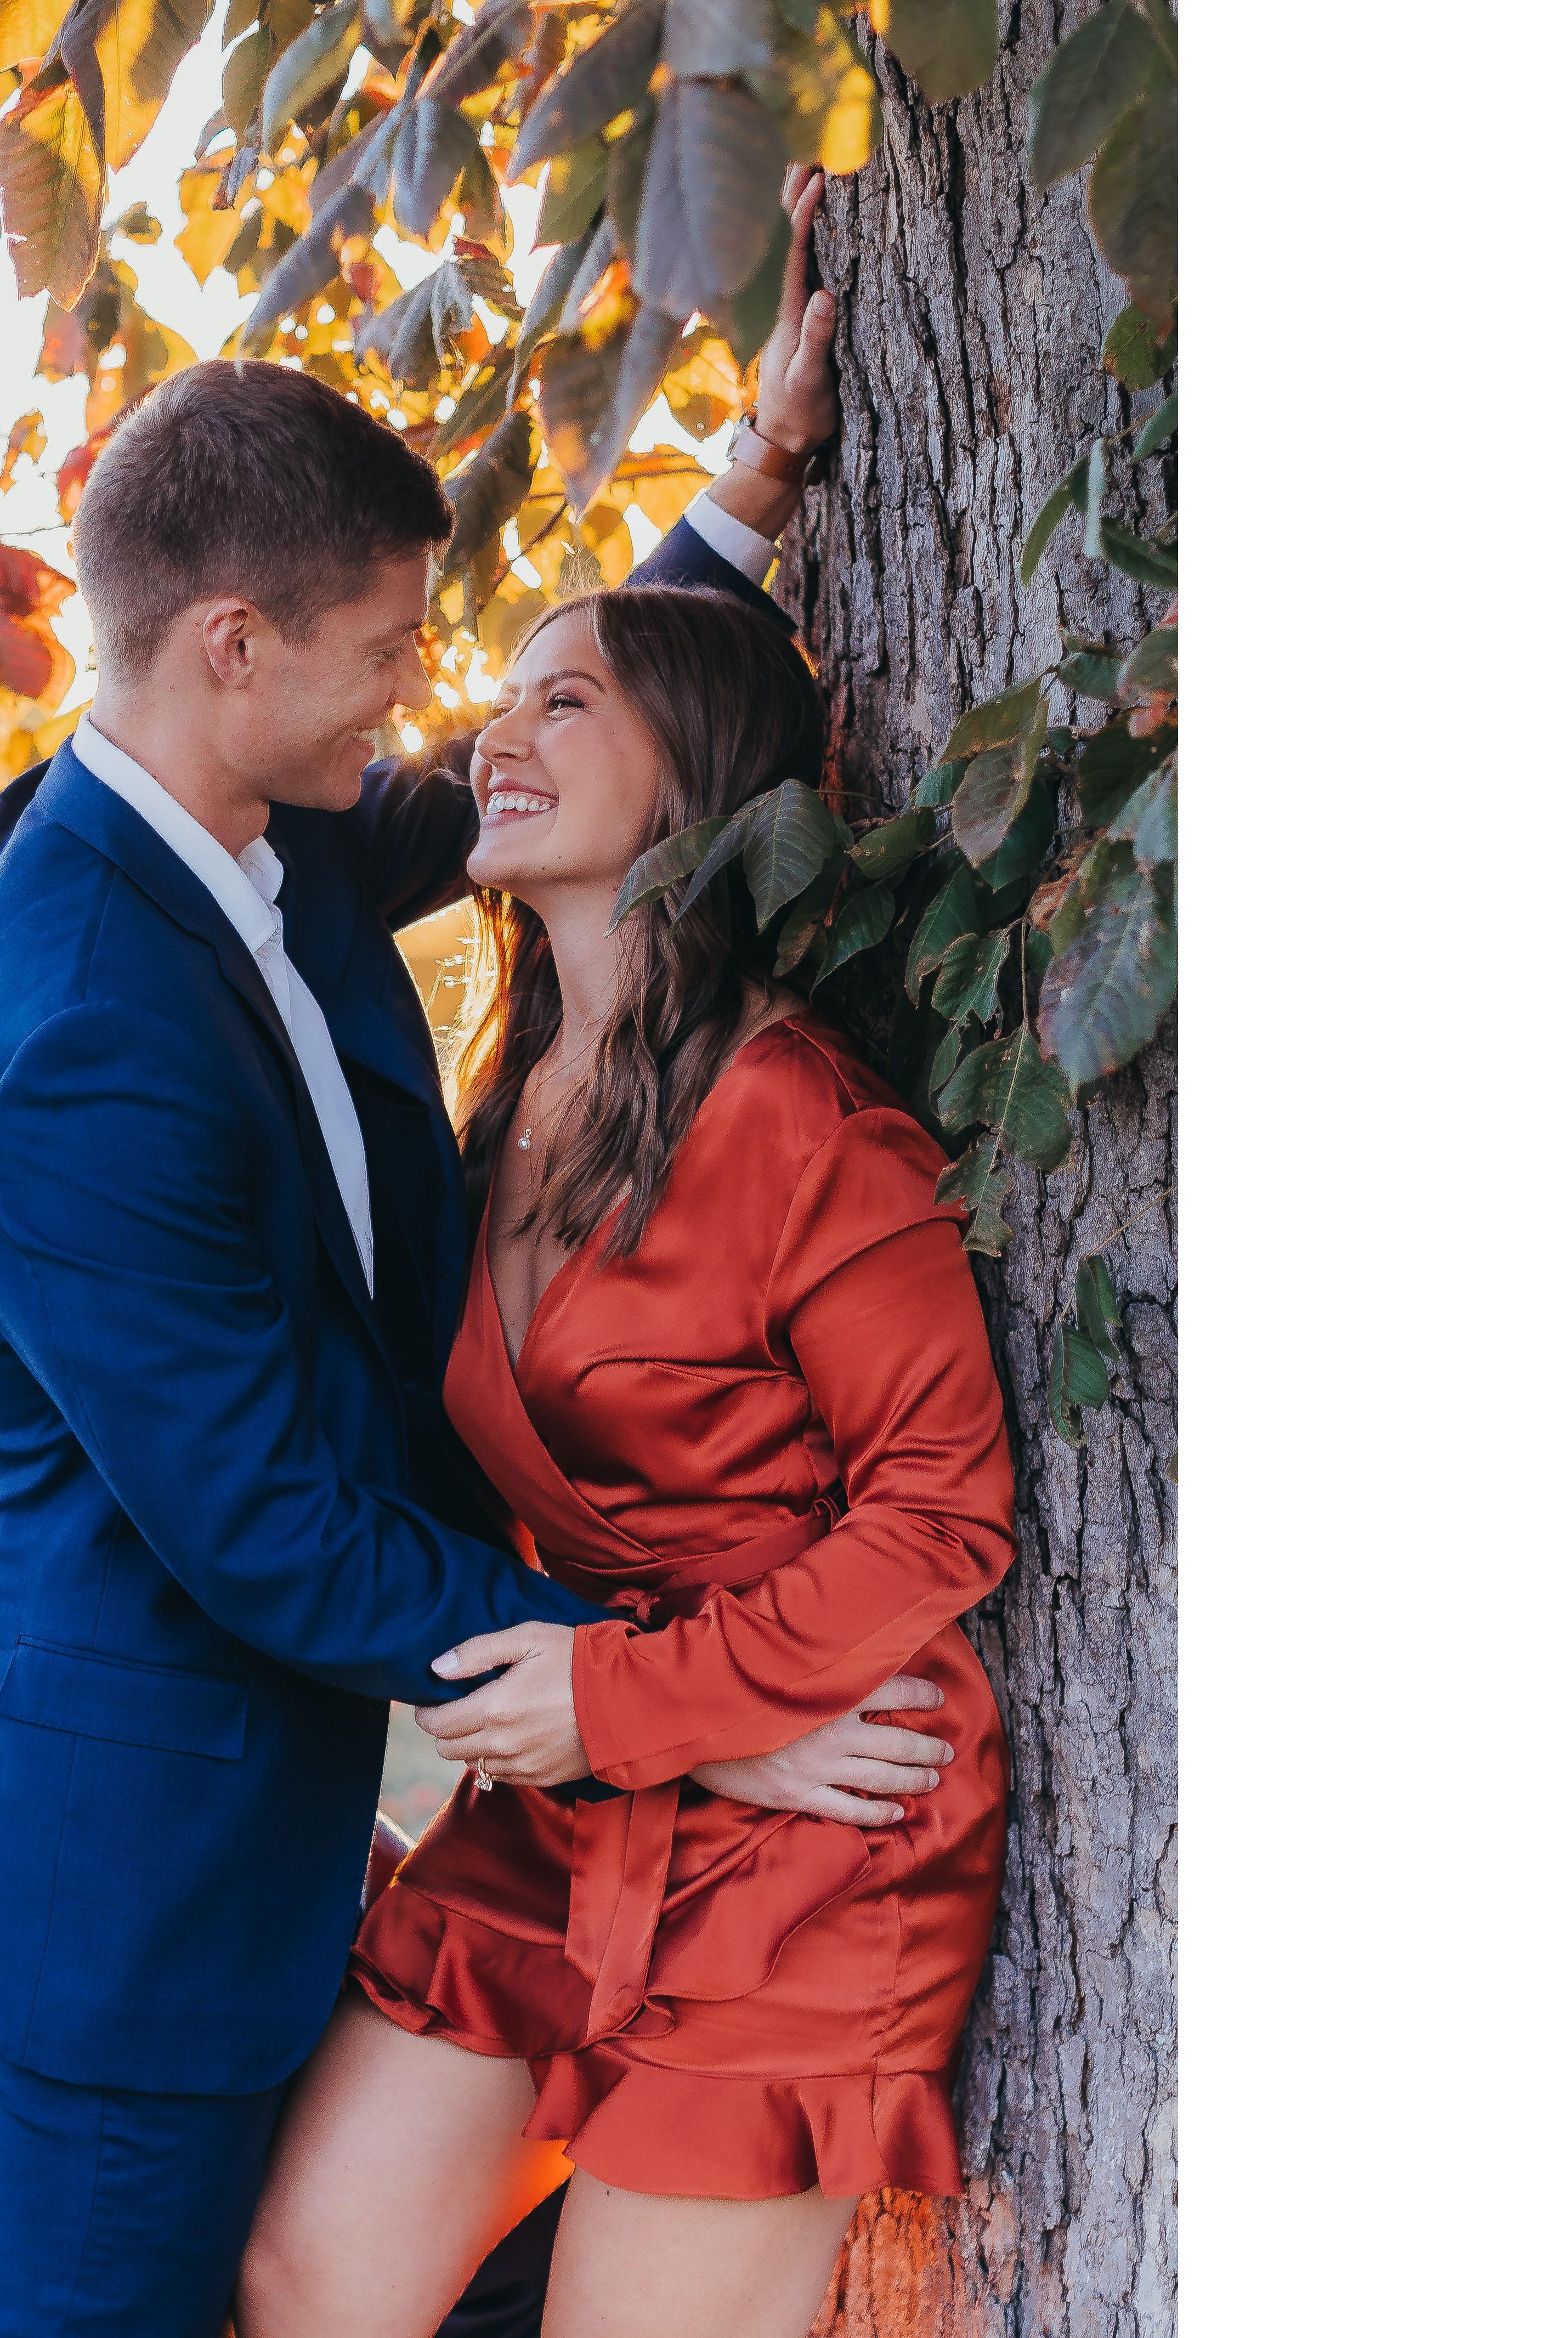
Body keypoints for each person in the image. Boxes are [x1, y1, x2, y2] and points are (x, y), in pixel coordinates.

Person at [0, 167, 946, 2338]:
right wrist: (681, 1711)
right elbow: (270, 1526)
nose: (424, 703)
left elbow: (576, 774)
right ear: (233, 647)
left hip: (266, 1824)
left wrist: (747, 488)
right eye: (387, 656)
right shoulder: (76, 1027)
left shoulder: (247, 826)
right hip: (131, 1874)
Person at [235, 169, 1016, 2338]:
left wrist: (630, 1702)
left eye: (562, 705)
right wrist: (751, 469)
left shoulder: (802, 1122)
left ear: (698, 780)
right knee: (304, 2279)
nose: (494, 734)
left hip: (817, 1821)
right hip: (588, 1799)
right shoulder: (504, 1104)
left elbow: (944, 1509)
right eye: (499, 698)